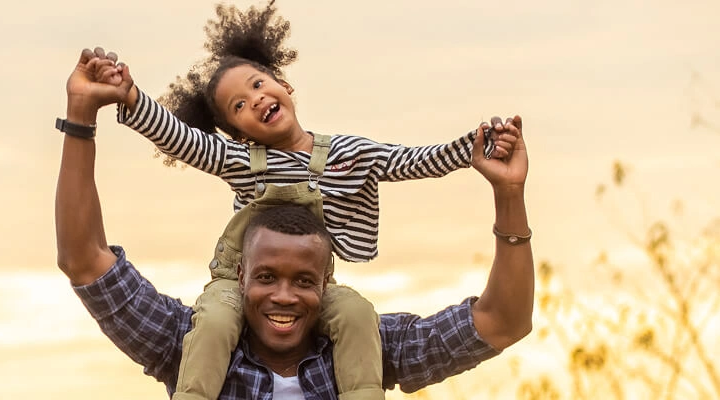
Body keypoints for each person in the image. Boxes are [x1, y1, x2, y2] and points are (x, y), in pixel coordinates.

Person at [70, 2, 520, 399]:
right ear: (238, 132)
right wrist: (127, 96)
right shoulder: (242, 161)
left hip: (325, 288)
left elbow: (409, 161)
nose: (256, 99)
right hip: (229, 289)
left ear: (282, 82)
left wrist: (474, 150)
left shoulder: (349, 154)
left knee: (358, 313)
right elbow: (182, 140)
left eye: (259, 85)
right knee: (212, 325)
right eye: (239, 106)